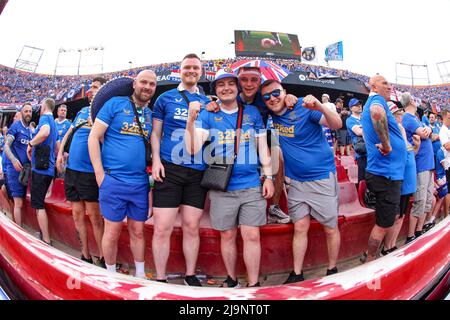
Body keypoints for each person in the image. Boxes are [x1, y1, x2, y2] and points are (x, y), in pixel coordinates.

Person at [185, 69, 274, 287]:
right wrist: (191, 120)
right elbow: (192, 147)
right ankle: (232, 279)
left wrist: (269, 176)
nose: (226, 88)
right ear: (215, 91)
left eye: (230, 84)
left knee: (252, 235)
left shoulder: (252, 113)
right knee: (227, 236)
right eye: (220, 85)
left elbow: (262, 146)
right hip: (221, 188)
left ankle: (253, 284)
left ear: (237, 87)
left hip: (251, 185)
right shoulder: (208, 114)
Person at [260, 80, 342, 283]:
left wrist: (320, 106)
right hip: (296, 182)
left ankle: (332, 270)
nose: (273, 98)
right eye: (267, 96)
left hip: (321, 178)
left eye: (276, 93)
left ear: (285, 91)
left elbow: (337, 124)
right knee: (300, 227)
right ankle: (297, 273)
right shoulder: (270, 114)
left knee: (330, 228)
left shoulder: (303, 107)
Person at [206, 66, 297, 224]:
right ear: (238, 83)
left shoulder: (265, 97)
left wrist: (289, 97)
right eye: (244, 79)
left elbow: (281, 99)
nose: (249, 84)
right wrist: (213, 103)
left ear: (260, 82)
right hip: (235, 137)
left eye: (254, 80)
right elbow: (218, 102)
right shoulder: (232, 96)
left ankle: (274, 207)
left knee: (278, 155)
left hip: (261, 133)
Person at [88, 70, 156, 278]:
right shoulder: (115, 104)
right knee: (112, 231)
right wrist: (100, 174)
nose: (147, 87)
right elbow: (93, 138)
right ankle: (110, 274)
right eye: (143, 82)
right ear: (134, 84)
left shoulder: (149, 114)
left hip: (140, 184)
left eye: (152, 84)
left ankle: (141, 275)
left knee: (138, 231)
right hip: (113, 181)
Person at [151, 54, 211, 286]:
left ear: (201, 72)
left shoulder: (208, 102)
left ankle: (190, 275)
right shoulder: (165, 98)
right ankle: (160, 278)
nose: (191, 71)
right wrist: (156, 160)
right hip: (169, 169)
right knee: (162, 227)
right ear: (180, 70)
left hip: (197, 172)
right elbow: (156, 133)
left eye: (196, 67)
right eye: (187, 67)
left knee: (192, 226)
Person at [56, 76, 106, 266]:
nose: (90, 90)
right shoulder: (82, 111)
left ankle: (103, 257)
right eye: (91, 87)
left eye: (95, 87)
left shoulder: (105, 112)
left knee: (94, 216)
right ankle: (85, 255)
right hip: (72, 170)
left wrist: (96, 125)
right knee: (77, 214)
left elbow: (106, 142)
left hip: (90, 172)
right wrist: (60, 153)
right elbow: (70, 131)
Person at [360, 75, 406, 263]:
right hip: (385, 174)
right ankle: (370, 259)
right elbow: (376, 113)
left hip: (386, 173)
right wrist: (387, 145)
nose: (389, 86)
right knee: (383, 223)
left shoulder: (377, 101)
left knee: (387, 218)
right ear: (373, 86)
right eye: (384, 83)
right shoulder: (376, 100)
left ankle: (371, 256)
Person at [383, 102, 418, 254]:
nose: (401, 116)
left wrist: (416, 146)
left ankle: (391, 246)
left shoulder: (401, 129)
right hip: (399, 178)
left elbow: (410, 154)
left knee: (401, 215)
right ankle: (386, 247)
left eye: (401, 113)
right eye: (398, 114)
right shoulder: (392, 130)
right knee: (395, 216)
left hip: (408, 180)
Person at [401, 92, 434, 243]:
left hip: (427, 164)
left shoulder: (416, 118)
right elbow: (425, 134)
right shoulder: (407, 118)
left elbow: (431, 134)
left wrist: (430, 129)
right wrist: (428, 130)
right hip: (420, 164)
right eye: (414, 99)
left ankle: (419, 230)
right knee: (420, 199)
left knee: (427, 198)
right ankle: (410, 236)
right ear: (411, 102)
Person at [27, 98, 58, 245]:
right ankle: (43, 233)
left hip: (40, 169)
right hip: (49, 169)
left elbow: (44, 132)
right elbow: (57, 146)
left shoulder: (45, 118)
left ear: (44, 106)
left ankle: (46, 239)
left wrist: (31, 143)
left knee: (38, 205)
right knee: (41, 203)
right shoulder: (55, 123)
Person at [4, 105, 32, 226]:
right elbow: (6, 146)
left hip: (25, 171)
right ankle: (20, 233)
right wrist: (14, 160)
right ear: (21, 113)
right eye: (26, 111)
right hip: (14, 170)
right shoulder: (16, 126)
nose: (28, 113)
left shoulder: (30, 130)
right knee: (18, 202)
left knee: (21, 202)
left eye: (30, 111)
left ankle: (19, 227)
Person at [346, 98, 366, 183]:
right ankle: (362, 196)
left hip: (371, 150)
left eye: (360, 104)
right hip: (362, 153)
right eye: (356, 105)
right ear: (351, 108)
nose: (359, 106)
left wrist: (362, 127)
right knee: (363, 179)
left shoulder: (364, 117)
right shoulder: (349, 120)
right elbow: (358, 132)